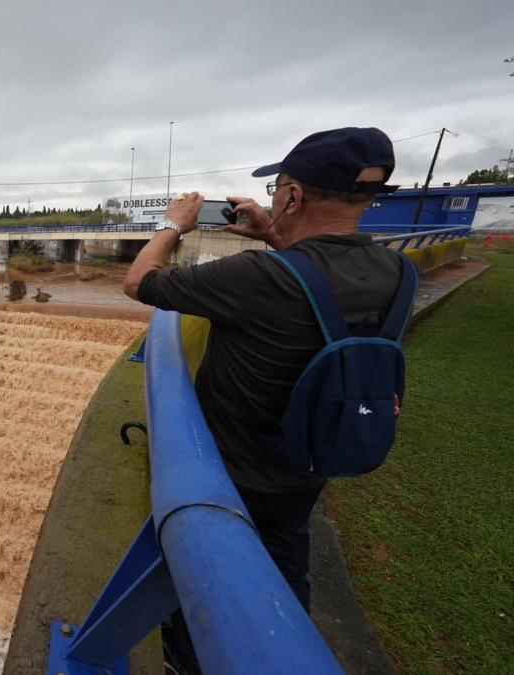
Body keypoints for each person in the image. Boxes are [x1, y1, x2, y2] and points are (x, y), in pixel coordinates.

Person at [122, 127, 406, 672]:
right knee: (284, 563)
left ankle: (186, 658)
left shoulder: (257, 276)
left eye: (279, 187)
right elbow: (317, 285)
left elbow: (141, 281)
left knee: (199, 577)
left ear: (294, 195)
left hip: (231, 472)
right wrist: (274, 235)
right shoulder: (399, 270)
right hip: (314, 459)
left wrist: (172, 224)